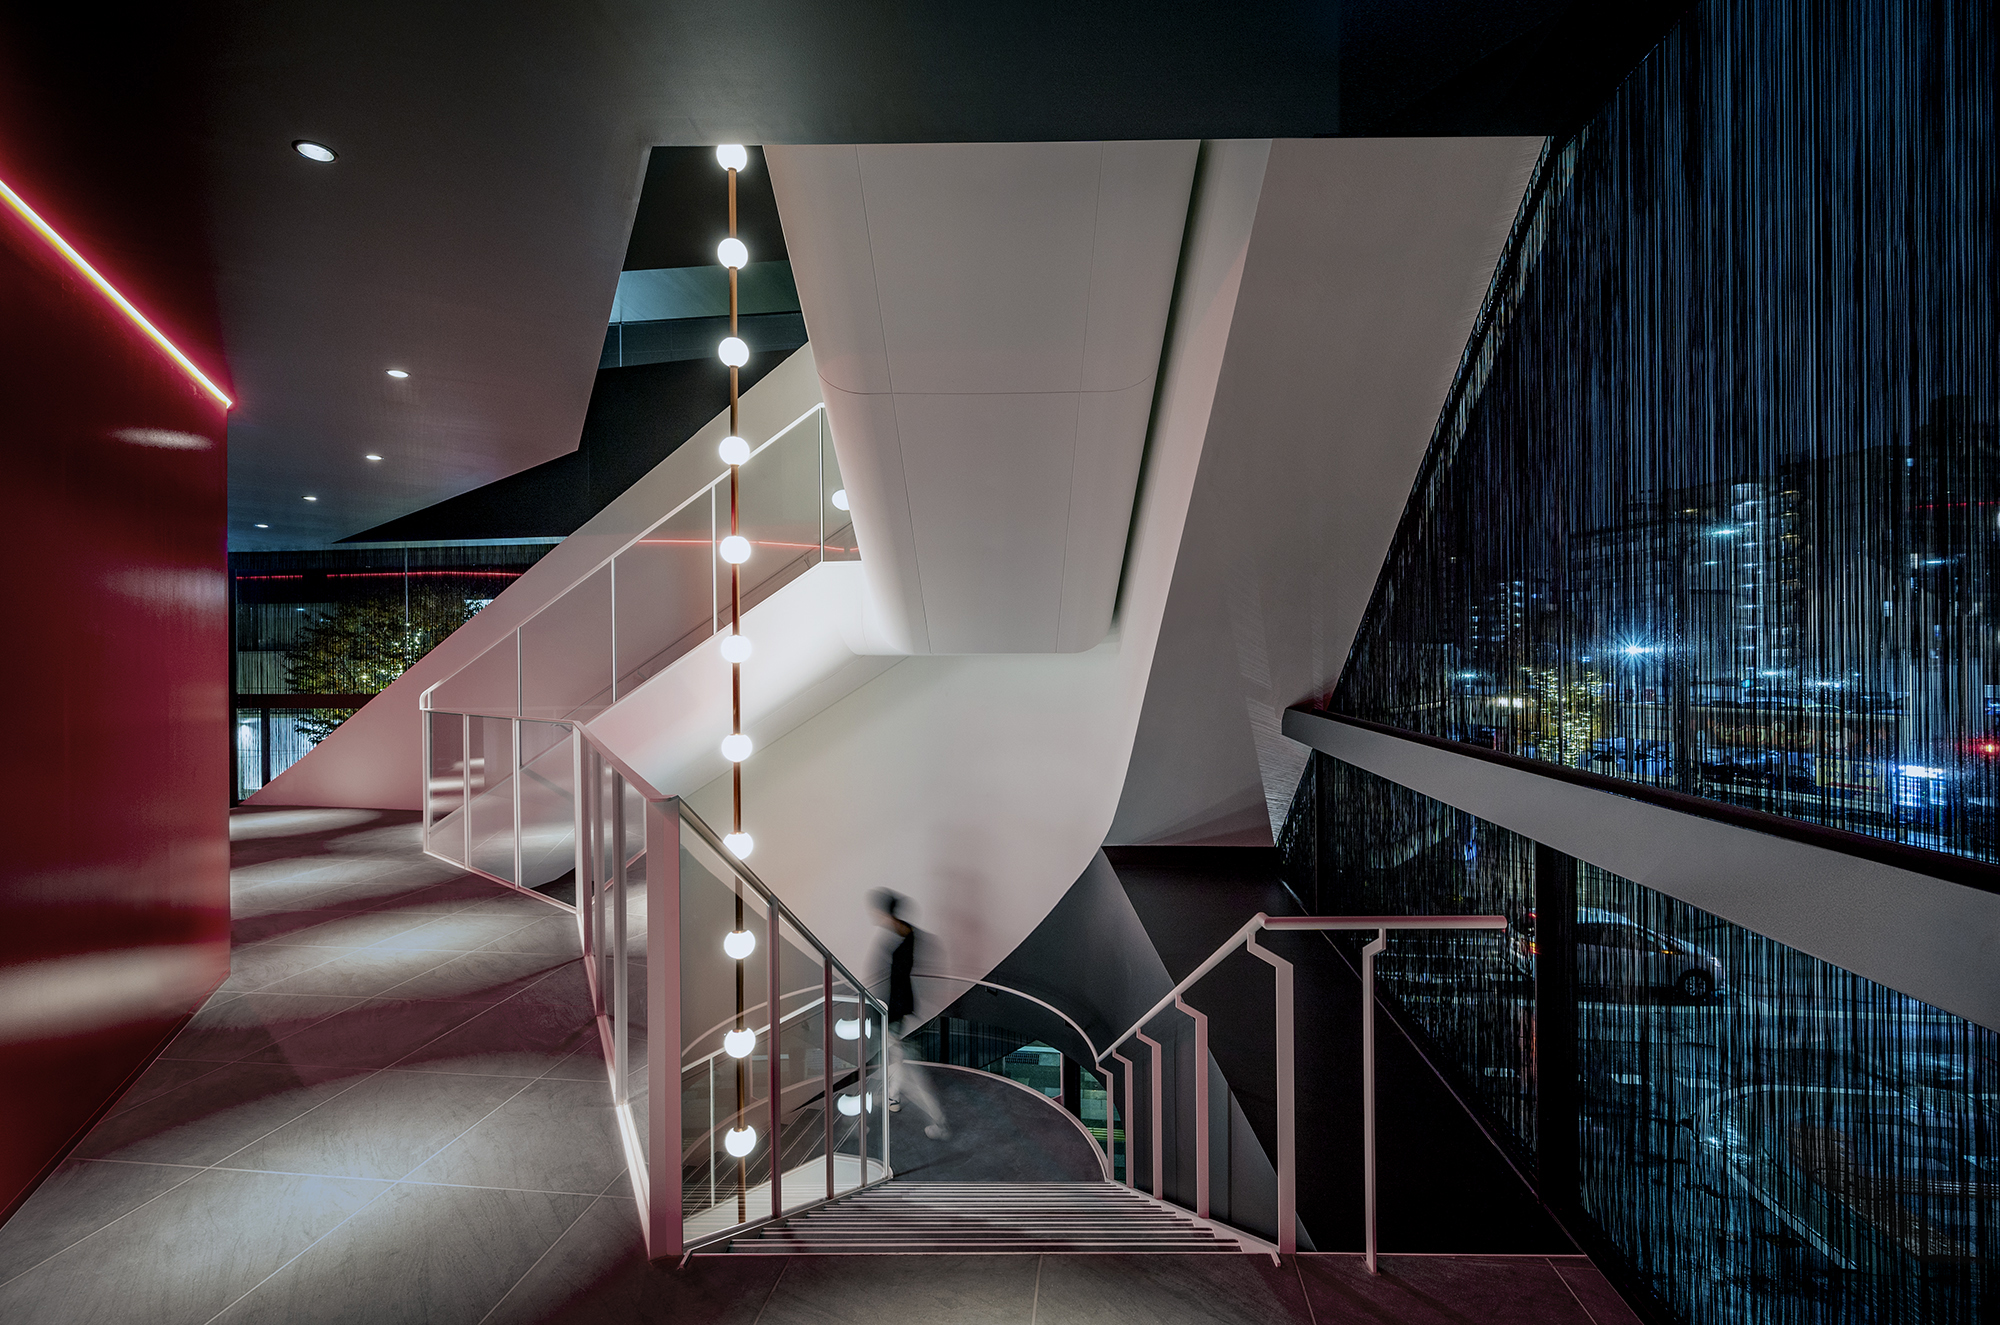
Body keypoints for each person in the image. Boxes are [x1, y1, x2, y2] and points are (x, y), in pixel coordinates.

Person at [869, 889, 948, 1140]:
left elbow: (897, 979)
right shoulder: (907, 933)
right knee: (894, 1060)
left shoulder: (899, 939)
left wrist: (884, 1009)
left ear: (884, 912)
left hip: (893, 1010)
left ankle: (939, 1121)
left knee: (903, 1067)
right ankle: (892, 1097)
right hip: (897, 1009)